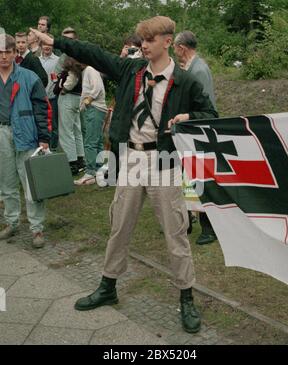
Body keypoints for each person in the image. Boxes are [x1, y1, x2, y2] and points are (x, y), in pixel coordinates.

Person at [31, 15, 218, 333]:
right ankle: (108, 287)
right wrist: (57, 42)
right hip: (129, 159)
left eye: (150, 40)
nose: (143, 45)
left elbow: (211, 116)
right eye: (141, 40)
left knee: (175, 235)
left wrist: (189, 115)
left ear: (167, 42)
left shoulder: (186, 82)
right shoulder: (131, 69)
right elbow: (94, 53)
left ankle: (186, 298)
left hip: (164, 164)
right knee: (119, 226)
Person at [0, 34, 51, 248]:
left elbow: (42, 108)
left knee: (32, 183)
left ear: (15, 53)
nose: (3, 57)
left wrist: (44, 137)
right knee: (6, 183)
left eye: (7, 52)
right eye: (0, 53)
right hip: (1, 134)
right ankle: (11, 221)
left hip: (27, 135)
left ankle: (37, 228)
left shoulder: (30, 77)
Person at [174, 30, 218, 245]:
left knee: (198, 180)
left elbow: (205, 105)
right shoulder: (192, 67)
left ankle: (209, 229)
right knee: (187, 180)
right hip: (190, 131)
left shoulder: (198, 70)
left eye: (174, 47)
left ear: (182, 48)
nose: (174, 52)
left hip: (198, 131)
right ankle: (187, 222)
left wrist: (189, 117)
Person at [74, 64, 107, 185]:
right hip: (96, 109)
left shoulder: (89, 69)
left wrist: (88, 100)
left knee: (90, 142)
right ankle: (99, 170)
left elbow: (97, 87)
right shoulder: (89, 70)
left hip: (94, 108)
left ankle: (90, 172)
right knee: (97, 141)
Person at [39, 35, 59, 150]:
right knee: (42, 123)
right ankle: (43, 148)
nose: (47, 47)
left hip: (53, 97)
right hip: (40, 98)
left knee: (54, 124)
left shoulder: (57, 60)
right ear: (41, 46)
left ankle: (53, 148)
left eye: (49, 45)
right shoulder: (37, 60)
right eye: (45, 45)